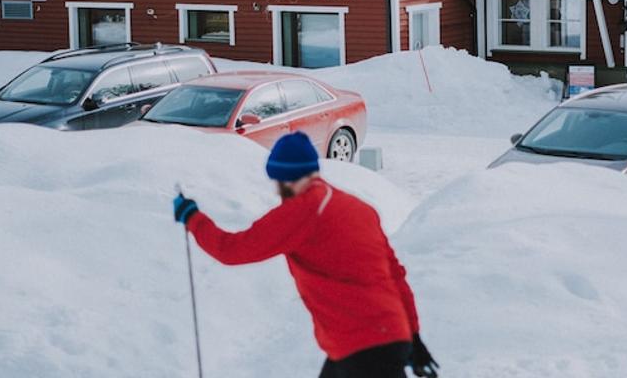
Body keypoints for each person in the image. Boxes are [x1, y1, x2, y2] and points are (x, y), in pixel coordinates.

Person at [173, 131, 439, 378]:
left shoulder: (303, 211)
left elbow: (231, 250)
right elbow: (395, 276)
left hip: (361, 346)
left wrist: (192, 218)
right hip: (383, 337)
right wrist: (414, 337)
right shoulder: (359, 208)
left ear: (286, 178)